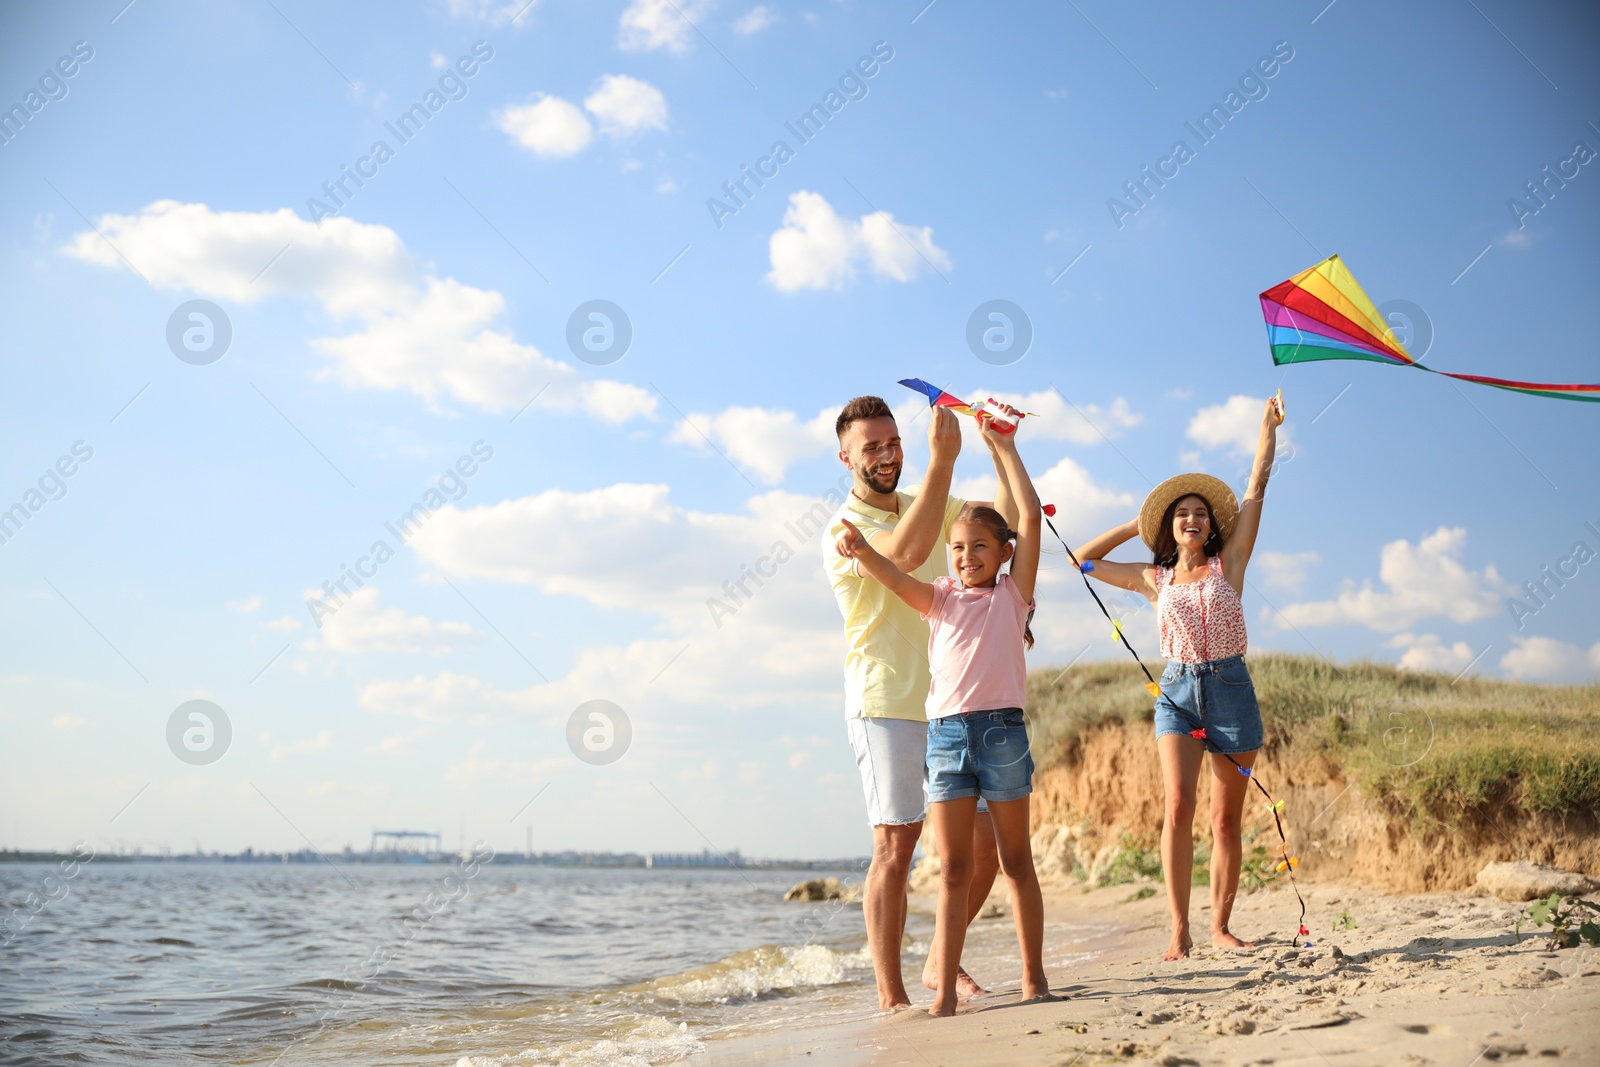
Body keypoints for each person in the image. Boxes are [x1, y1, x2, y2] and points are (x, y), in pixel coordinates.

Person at [836, 412, 1052, 1017]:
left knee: (1005, 857)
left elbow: (1017, 519)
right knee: (925, 859)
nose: (963, 556)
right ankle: (910, 995)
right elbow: (897, 566)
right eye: (956, 549)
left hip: (998, 730)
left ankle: (1005, 971)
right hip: (921, 722)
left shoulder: (1010, 594)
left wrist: (1001, 447)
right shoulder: (931, 590)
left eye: (979, 547)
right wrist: (861, 552)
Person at [1074, 394, 1284, 960]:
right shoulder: (1153, 578)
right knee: (1177, 808)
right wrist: (1134, 523)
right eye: (1180, 513)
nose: (1192, 519)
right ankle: (1178, 929)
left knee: (1224, 819)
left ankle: (1219, 925)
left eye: (1200, 512)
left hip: (1232, 690)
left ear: (1212, 524)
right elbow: (1083, 562)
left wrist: (1265, 429)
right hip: (1177, 695)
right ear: (1170, 525)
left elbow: (1256, 490)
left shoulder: (1230, 563)